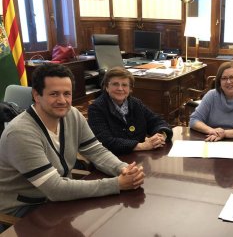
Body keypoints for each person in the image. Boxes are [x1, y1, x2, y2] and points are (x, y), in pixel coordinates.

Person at [0, 64, 145, 223]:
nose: (62, 101)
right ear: (36, 95)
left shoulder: (72, 115)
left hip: (59, 202)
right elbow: (55, 189)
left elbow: (96, 151)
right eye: (54, 94)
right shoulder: (20, 133)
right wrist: (117, 184)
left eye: (67, 94)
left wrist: (123, 169)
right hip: (23, 212)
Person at [88, 67, 172, 155]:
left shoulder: (136, 103)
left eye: (124, 85)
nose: (120, 88)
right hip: (113, 159)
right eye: (115, 84)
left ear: (130, 89)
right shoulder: (96, 108)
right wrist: (142, 146)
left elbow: (157, 121)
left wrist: (161, 136)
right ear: (106, 87)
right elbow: (105, 141)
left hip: (140, 156)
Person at [189, 61, 233, 141]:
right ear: (219, 81)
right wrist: (212, 131)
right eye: (224, 78)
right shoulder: (211, 95)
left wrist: (224, 133)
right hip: (212, 140)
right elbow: (194, 120)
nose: (228, 82)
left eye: (232, 77)